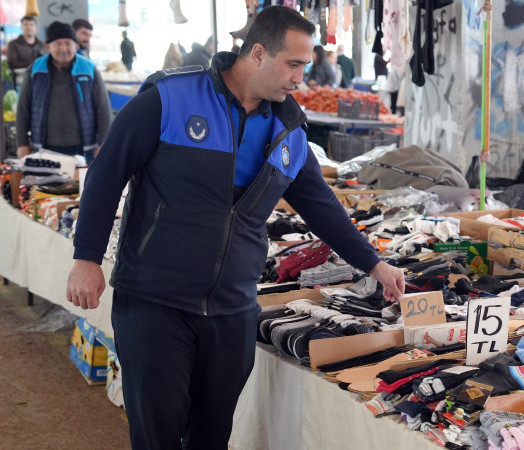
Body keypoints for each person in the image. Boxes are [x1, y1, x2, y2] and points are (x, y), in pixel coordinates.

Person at [65, 6, 404, 449]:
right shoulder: (170, 99)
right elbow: (107, 172)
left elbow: (320, 205)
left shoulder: (289, 130)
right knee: (157, 435)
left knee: (212, 436)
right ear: (258, 53)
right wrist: (86, 257)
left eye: (305, 65)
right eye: (294, 64)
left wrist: (373, 264)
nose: (300, 77)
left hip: (232, 311)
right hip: (155, 301)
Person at [15, 21, 111, 163]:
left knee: (82, 184)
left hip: (83, 147)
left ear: (76, 46)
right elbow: (23, 109)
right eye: (58, 43)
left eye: (68, 43)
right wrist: (22, 144)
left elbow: (103, 109)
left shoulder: (89, 69)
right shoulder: (35, 70)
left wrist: (104, 143)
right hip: (45, 147)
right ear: (48, 46)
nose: (63, 48)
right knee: (45, 185)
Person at [7, 16, 46, 89]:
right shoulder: (13, 44)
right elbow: (12, 63)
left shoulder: (42, 45)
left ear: (35, 28)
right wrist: (34, 63)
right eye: (26, 24)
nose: (29, 27)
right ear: (21, 27)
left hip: (41, 80)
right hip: (21, 81)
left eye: (31, 25)